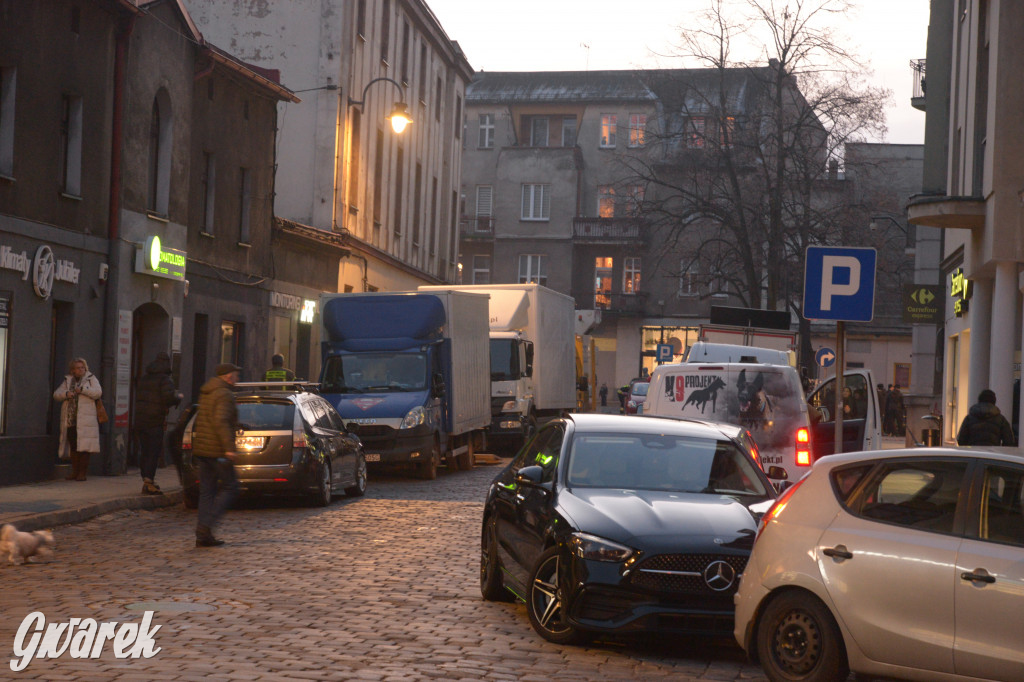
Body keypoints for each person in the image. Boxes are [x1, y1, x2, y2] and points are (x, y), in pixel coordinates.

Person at [192, 363, 242, 547]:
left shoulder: (207, 391)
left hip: (203, 448)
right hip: (217, 449)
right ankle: (206, 526)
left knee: (207, 492)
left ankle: (203, 535)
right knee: (231, 487)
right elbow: (220, 420)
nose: (237, 379)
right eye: (236, 376)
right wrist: (229, 448)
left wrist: (238, 424)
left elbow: (215, 417)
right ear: (228, 377)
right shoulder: (225, 394)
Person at [134, 352, 183, 495]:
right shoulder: (165, 379)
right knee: (153, 452)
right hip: (155, 419)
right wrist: (178, 397)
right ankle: (149, 481)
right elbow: (168, 398)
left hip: (141, 419)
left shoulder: (144, 378)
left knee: (145, 450)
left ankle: (146, 479)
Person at [54, 358, 103, 481]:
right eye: (78, 367)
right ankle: (74, 472)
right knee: (74, 446)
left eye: (82, 367)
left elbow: (98, 392)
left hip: (86, 420)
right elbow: (56, 394)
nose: (81, 369)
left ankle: (82, 473)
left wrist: (83, 390)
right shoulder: (68, 380)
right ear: (73, 370)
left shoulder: (91, 378)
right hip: (71, 418)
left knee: (85, 448)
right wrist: (66, 394)